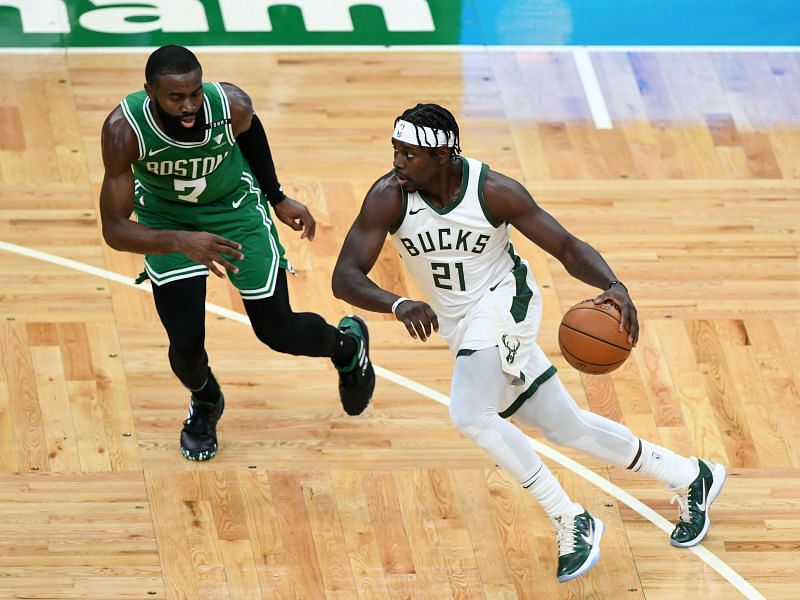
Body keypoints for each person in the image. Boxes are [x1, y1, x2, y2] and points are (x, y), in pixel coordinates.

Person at [331, 103, 727, 583]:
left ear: (442, 155)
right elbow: (344, 277)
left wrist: (613, 285)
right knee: (567, 428)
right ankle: (690, 475)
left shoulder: (493, 192)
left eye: (408, 154)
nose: (397, 162)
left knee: (469, 413)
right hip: (461, 325)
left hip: (505, 306)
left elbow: (565, 246)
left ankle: (570, 518)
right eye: (395, 150)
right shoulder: (388, 197)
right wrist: (397, 303)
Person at [99, 45, 374, 462]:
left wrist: (277, 197)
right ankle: (206, 402)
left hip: (235, 212)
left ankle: (347, 348)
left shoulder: (230, 106)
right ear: (150, 92)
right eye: (176, 97)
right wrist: (179, 240)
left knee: (278, 332)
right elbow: (115, 229)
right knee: (186, 348)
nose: (190, 105)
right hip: (167, 221)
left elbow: (252, 134)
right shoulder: (124, 130)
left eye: (195, 92)